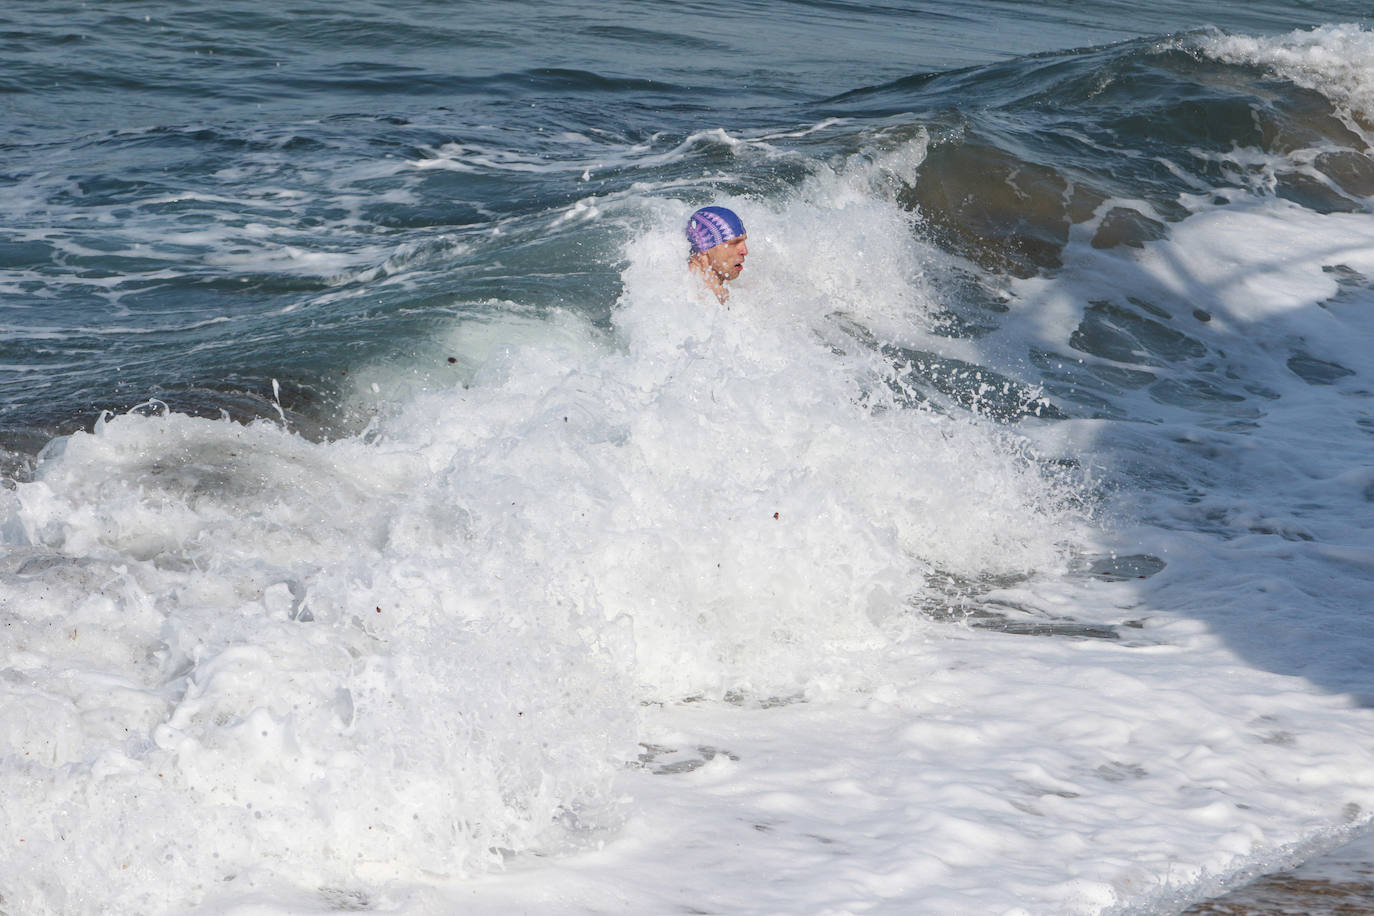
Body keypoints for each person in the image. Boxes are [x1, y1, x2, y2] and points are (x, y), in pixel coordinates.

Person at [686, 206, 748, 303]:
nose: (745, 251)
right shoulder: (687, 295)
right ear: (704, 247)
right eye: (734, 243)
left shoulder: (719, 288)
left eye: (743, 242)